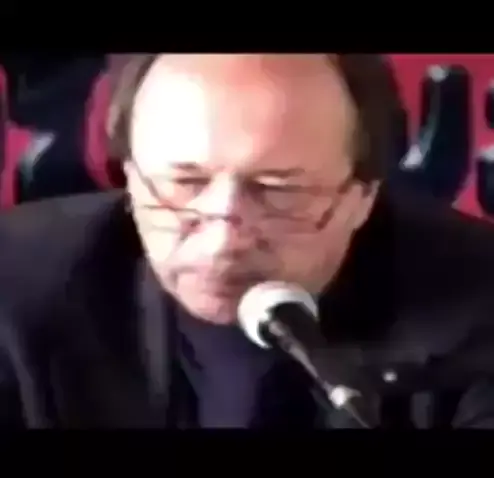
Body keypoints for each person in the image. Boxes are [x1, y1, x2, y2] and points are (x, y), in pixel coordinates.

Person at [1, 53, 494, 429]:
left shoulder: (479, 308)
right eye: (185, 183)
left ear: (362, 197)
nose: (222, 239)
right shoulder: (15, 282)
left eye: (279, 191)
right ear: (130, 175)